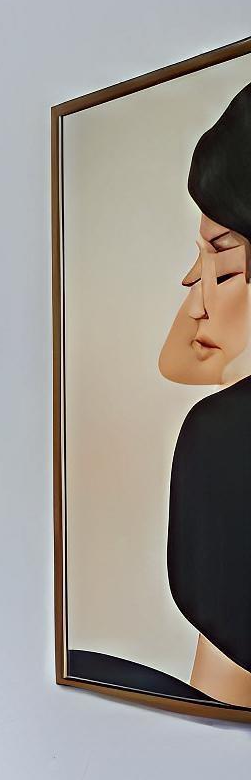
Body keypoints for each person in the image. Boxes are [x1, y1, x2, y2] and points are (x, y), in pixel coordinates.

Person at [159, 83, 251, 705]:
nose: (196, 288)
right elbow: (179, 362)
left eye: (220, 256)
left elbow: (221, 710)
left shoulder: (224, 437)